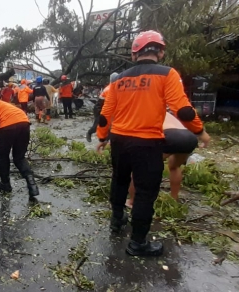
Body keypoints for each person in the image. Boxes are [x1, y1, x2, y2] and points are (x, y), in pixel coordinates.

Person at [95, 30, 210, 257]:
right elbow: (183, 110)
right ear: (160, 51)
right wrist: (201, 132)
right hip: (146, 143)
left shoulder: (118, 80)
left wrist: (101, 137)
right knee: (146, 192)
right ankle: (137, 243)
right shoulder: (167, 74)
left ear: (135, 53)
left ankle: (117, 221)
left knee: (119, 182)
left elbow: (105, 114)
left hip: (119, 140)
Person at [126, 112, 207, 207]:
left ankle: (132, 201)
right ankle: (174, 199)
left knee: (140, 168)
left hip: (169, 135)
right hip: (189, 137)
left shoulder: (141, 111)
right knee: (174, 166)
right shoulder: (164, 111)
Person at [86, 73, 118, 142]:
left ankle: (106, 143)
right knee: (97, 126)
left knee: (111, 128)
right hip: (100, 110)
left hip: (109, 111)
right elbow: (102, 103)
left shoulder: (115, 88)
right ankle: (89, 133)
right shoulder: (109, 89)